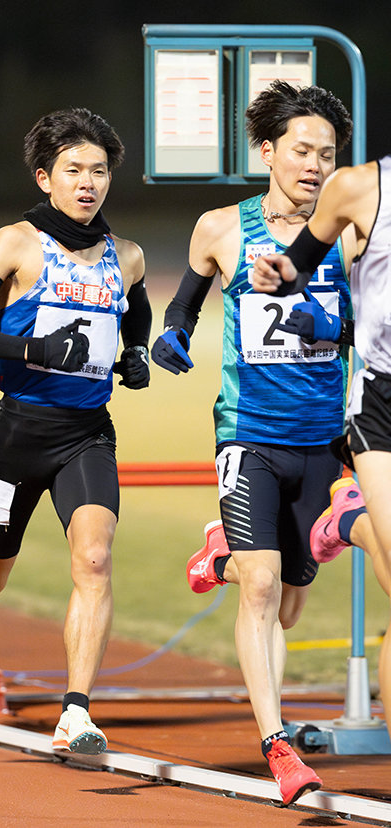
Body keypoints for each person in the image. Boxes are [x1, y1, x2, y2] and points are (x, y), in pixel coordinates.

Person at [0, 107, 151, 755]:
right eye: (73, 170)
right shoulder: (13, 243)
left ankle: (76, 712)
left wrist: (137, 356)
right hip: (16, 431)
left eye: (99, 171)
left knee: (95, 558)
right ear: (45, 178)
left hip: (87, 433)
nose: (88, 183)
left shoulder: (125, 256)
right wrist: (36, 351)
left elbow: (138, 312)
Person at [151, 81, 354, 805]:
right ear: (267, 152)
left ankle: (221, 554)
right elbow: (184, 302)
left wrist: (325, 330)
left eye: (328, 155)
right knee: (263, 587)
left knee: (291, 593)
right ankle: (278, 746)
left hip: (325, 439)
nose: (314, 166)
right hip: (249, 435)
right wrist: (171, 337)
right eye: (302, 151)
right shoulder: (221, 229)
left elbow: (374, 331)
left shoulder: (354, 234)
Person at [253, 150, 391, 738]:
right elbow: (299, 263)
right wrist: (281, 274)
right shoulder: (362, 187)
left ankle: (344, 521)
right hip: (382, 404)